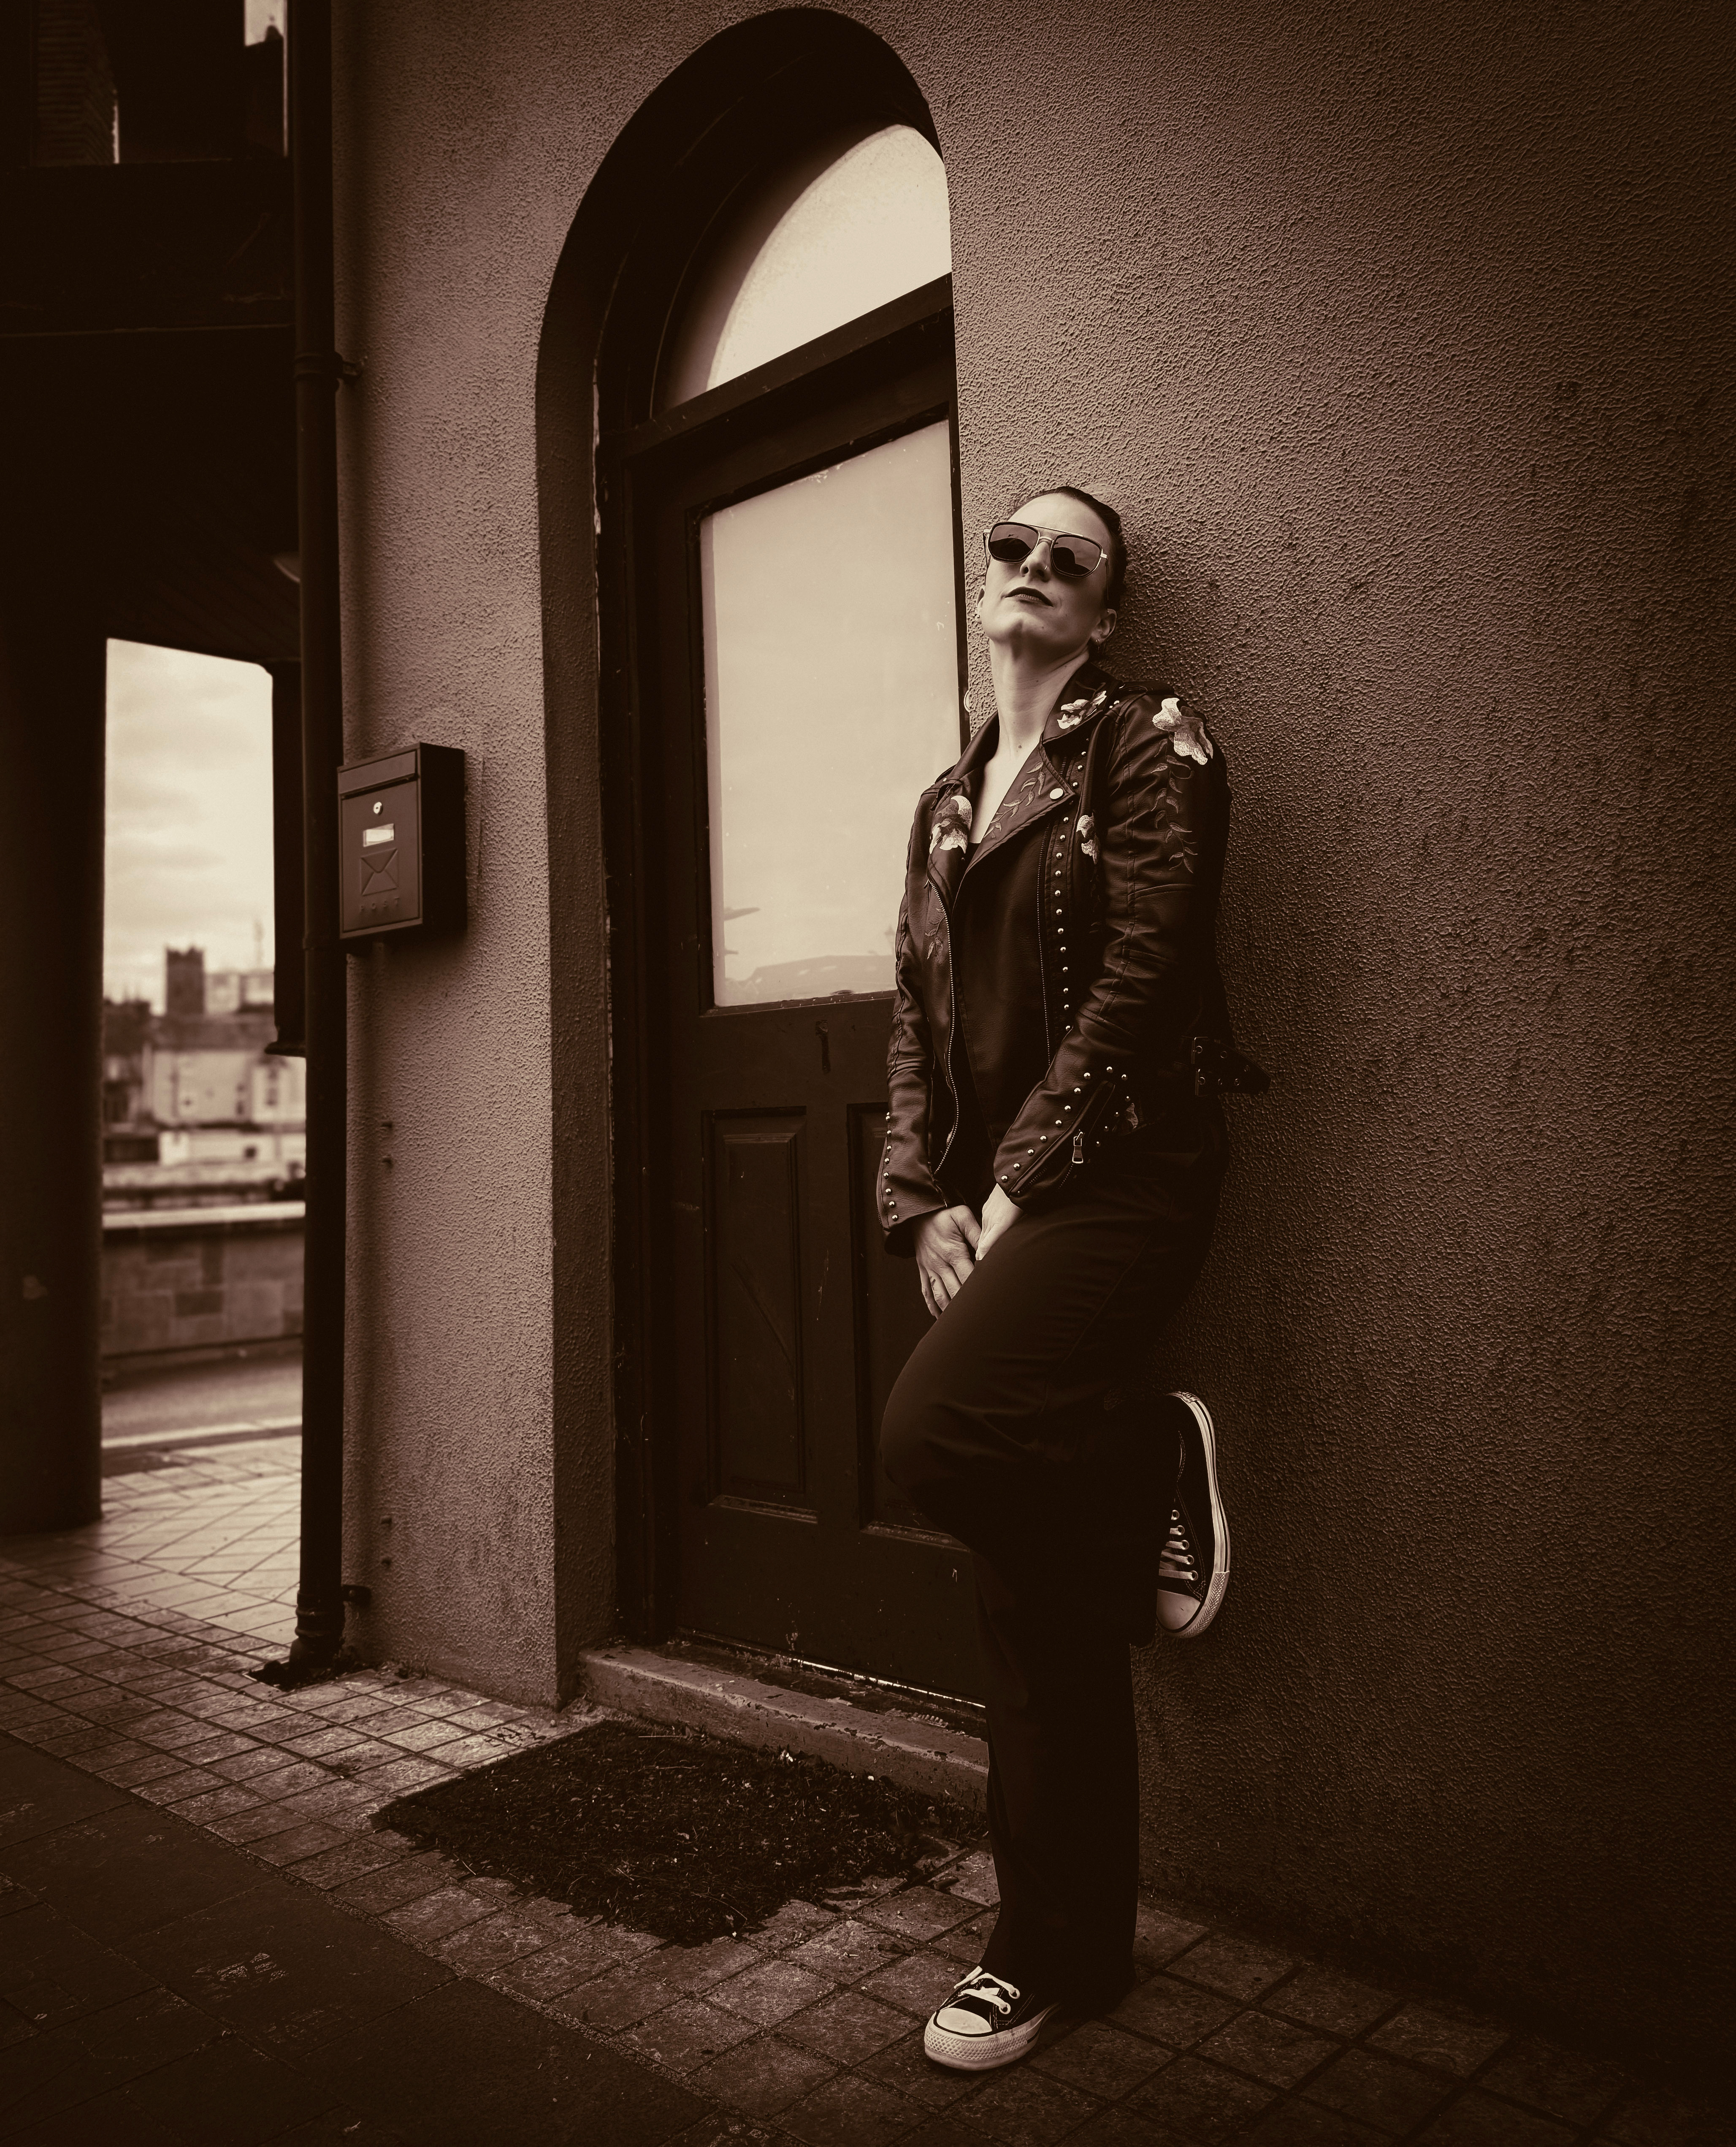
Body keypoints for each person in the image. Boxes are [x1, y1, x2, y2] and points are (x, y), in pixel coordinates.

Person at [877, 486, 1256, 2073]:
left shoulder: (1150, 745)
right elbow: (913, 1017)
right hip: (995, 1205)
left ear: (1103, 613)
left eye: (1069, 560)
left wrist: (1015, 1187)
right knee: (1038, 1603)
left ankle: (1150, 1445)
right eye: (1011, 548)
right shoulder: (944, 802)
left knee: (932, 1440)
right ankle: (1058, 1950)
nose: (1031, 568)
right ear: (981, 584)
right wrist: (920, 1207)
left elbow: (1145, 975)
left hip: (1120, 1179)